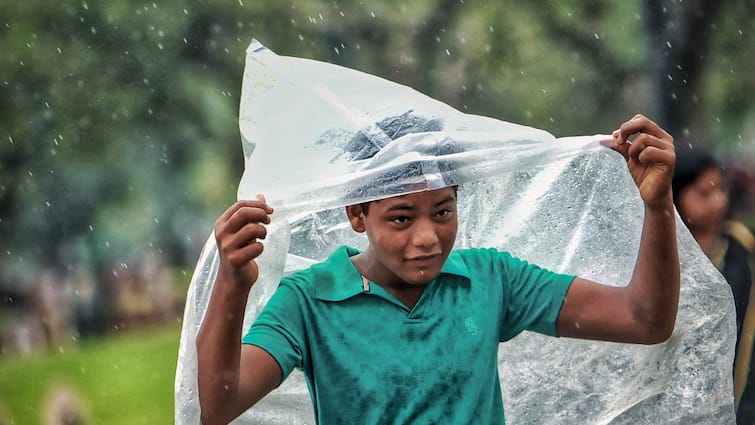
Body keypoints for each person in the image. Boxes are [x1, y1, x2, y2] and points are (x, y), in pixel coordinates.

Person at [196, 114, 680, 425]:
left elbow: (644, 320)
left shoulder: (490, 279)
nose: (427, 237)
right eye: (402, 218)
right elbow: (218, 405)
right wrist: (233, 284)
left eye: (443, 212)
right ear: (356, 215)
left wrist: (657, 208)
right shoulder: (308, 300)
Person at [672, 147, 755, 424]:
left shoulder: (741, 247)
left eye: (720, 189)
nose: (718, 201)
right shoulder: (665, 251)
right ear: (675, 195)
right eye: (704, 194)